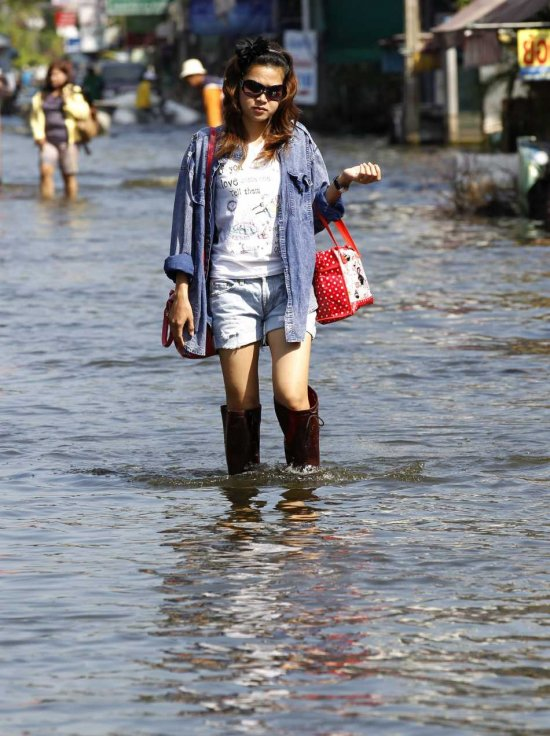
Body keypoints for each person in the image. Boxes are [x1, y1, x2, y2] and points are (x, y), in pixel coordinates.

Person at [164, 37, 381, 475]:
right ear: (234, 87)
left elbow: (316, 215)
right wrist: (182, 291)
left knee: (290, 392)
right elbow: (185, 226)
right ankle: (243, 505)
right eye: (253, 88)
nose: (263, 98)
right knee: (242, 402)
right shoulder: (205, 148)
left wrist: (342, 182)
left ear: (285, 94)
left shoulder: (296, 142)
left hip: (290, 285)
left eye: (273, 90)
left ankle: (301, 496)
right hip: (227, 287)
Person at [30, 59, 90, 200]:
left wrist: (67, 102)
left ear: (65, 75)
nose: (53, 78)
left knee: (68, 175)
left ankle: (70, 204)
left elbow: (84, 113)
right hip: (48, 141)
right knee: (45, 171)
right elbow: (34, 118)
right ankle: (47, 203)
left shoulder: (74, 93)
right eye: (51, 75)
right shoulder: (42, 95)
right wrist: (38, 136)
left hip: (68, 140)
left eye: (57, 74)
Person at [180, 57, 223, 128]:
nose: (189, 80)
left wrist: (214, 135)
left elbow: (214, 120)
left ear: (198, 74)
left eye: (190, 76)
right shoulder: (215, 83)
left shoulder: (210, 89)